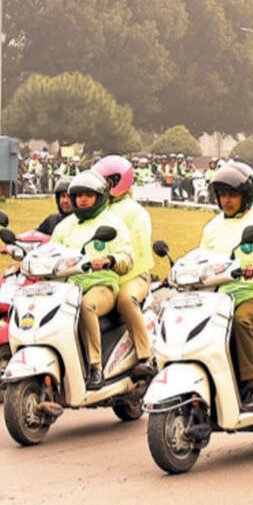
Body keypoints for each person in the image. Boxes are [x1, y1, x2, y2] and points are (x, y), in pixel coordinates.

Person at [200, 161, 253, 411]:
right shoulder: (212, 227)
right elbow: (201, 259)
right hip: (219, 300)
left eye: (233, 195)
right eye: (223, 195)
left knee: (241, 321)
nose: (227, 200)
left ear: (245, 196)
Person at [49, 171, 134, 390]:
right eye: (78, 196)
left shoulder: (113, 225)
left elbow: (127, 258)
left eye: (88, 195)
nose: (82, 200)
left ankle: (96, 367)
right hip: (68, 287)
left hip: (101, 285)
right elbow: (50, 252)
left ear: (100, 197)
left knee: (86, 306)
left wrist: (109, 260)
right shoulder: (64, 227)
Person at [93, 155, 156, 378]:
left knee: (126, 300)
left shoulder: (136, 211)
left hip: (133, 275)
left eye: (105, 182)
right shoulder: (97, 210)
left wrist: (115, 265)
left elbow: (139, 250)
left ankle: (144, 356)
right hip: (101, 275)